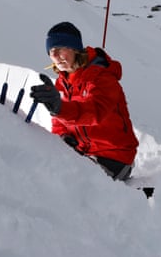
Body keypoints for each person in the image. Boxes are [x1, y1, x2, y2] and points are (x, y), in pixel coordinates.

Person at [30, 22, 139, 181]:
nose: (57, 55)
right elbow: (59, 124)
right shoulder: (63, 83)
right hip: (86, 154)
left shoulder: (102, 77)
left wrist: (61, 108)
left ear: (75, 48)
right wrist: (64, 137)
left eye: (61, 48)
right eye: (52, 51)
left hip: (114, 158)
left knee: (62, 181)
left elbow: (95, 111)